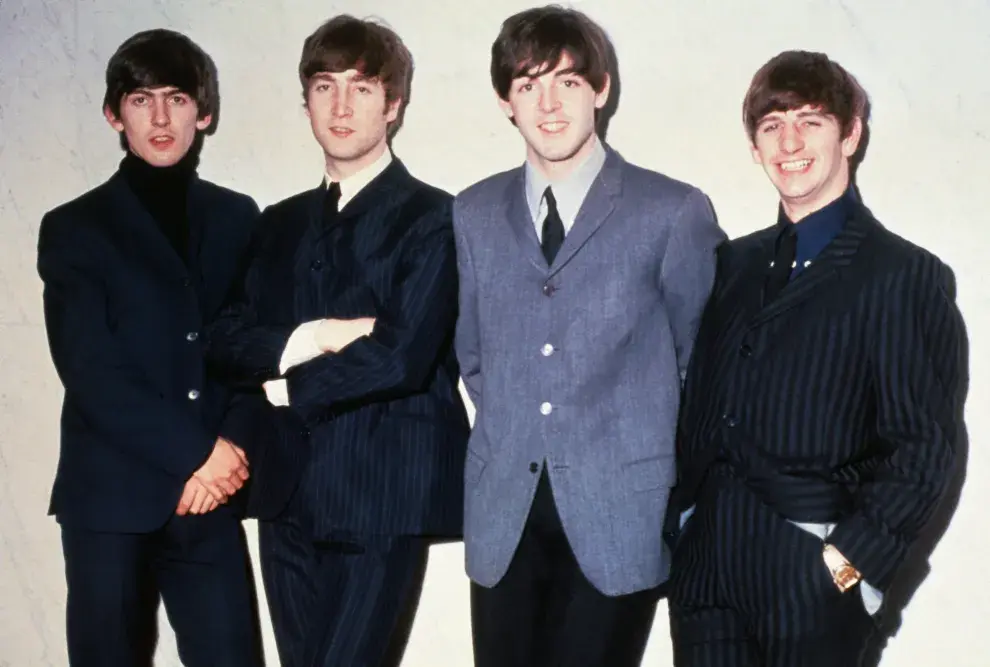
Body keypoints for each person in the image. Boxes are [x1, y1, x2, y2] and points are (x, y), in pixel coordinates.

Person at [666, 49, 968, 666]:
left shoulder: (902, 274)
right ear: (754, 145)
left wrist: (853, 561)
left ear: (851, 134)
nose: (790, 141)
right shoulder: (733, 265)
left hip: (811, 568)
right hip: (705, 568)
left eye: (812, 120)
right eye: (772, 125)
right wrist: (685, 521)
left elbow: (924, 447)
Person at [452, 6, 725, 666]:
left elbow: (703, 363)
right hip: (502, 516)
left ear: (601, 89)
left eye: (569, 82)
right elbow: (474, 353)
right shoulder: (472, 211)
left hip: (619, 513)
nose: (549, 104)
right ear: (504, 100)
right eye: (528, 84)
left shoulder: (673, 210)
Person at [205, 15, 469, 667]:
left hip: (382, 489)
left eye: (362, 87)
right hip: (285, 491)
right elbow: (223, 341)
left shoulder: (435, 216)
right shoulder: (277, 223)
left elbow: (405, 355)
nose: (341, 105)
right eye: (325, 87)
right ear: (306, 103)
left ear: (395, 104)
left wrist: (282, 381)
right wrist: (312, 336)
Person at [36, 29, 263, 667]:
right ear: (114, 114)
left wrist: (229, 458)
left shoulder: (237, 217)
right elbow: (89, 371)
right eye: (141, 100)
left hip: (207, 497)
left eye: (177, 99)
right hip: (110, 498)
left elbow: (247, 351)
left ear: (204, 111)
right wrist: (195, 454)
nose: (161, 118)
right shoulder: (74, 227)